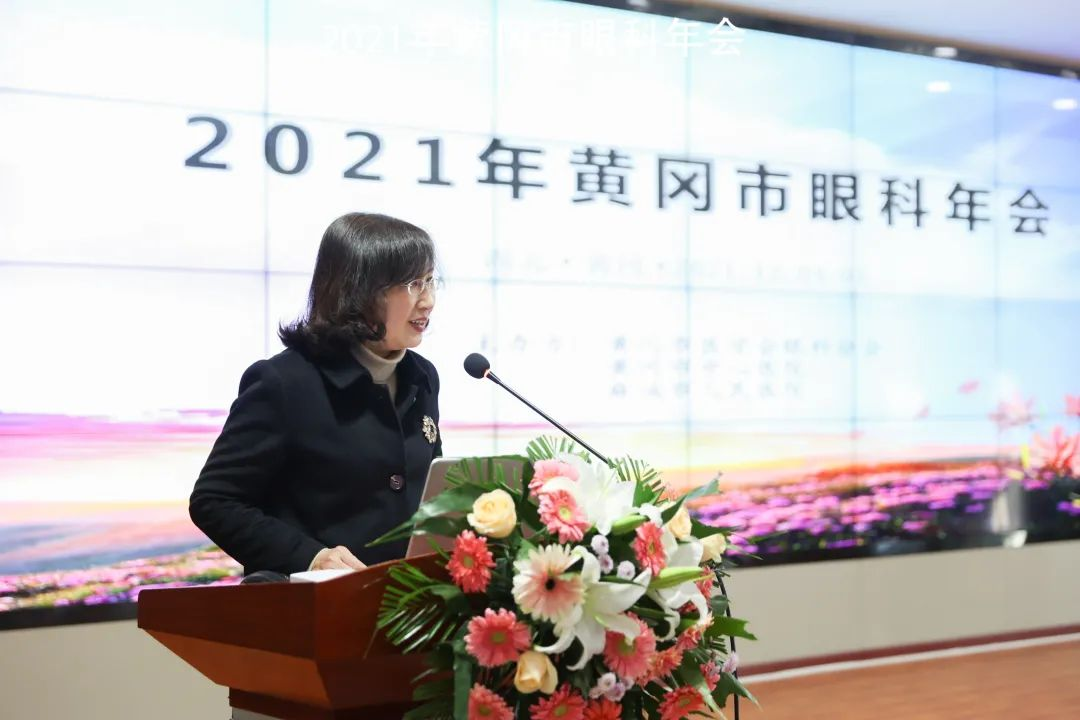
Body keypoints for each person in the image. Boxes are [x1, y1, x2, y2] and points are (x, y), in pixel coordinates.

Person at [189, 212, 443, 577]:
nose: (428, 300)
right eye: (413, 284)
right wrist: (310, 557)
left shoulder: (421, 376)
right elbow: (214, 500)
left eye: (431, 281)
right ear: (361, 290)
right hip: (311, 600)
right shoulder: (284, 382)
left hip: (404, 598)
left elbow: (425, 491)